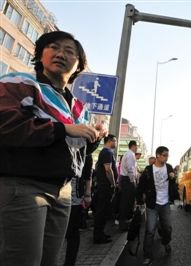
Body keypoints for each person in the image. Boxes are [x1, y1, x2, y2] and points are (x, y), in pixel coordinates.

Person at [0, 31, 101, 266]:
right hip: (23, 186)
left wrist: (93, 137)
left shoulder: (79, 108)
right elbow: (5, 125)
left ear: (78, 64)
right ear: (40, 54)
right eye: (54, 47)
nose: (60, 54)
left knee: (50, 261)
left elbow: (78, 150)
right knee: (22, 260)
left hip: (63, 191)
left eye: (69, 51)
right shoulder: (19, 82)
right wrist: (63, 129)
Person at [136, 146, 179, 265]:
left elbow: (172, 183)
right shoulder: (148, 170)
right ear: (158, 155)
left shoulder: (169, 167)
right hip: (152, 204)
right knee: (150, 230)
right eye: (164, 155)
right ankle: (147, 255)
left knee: (168, 227)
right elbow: (141, 186)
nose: (166, 157)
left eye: (167, 155)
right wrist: (139, 201)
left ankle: (166, 242)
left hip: (165, 203)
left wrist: (173, 178)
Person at [64, 154, 95, 266]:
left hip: (75, 197)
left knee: (72, 232)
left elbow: (88, 175)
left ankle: (69, 262)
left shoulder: (86, 152)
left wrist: (87, 193)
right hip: (56, 192)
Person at [93, 134, 118, 244]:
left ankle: (100, 234)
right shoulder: (107, 152)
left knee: (103, 212)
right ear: (110, 141)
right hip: (105, 187)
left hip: (104, 187)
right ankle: (98, 236)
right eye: (115, 141)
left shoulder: (105, 152)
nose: (116, 144)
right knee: (101, 212)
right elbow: (108, 170)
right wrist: (113, 183)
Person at [118, 140, 138, 231]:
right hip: (128, 180)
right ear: (133, 146)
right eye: (136, 146)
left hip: (124, 179)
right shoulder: (131, 154)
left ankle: (123, 223)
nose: (137, 148)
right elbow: (130, 168)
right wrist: (132, 180)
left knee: (124, 202)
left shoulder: (126, 154)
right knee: (127, 202)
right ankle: (124, 224)